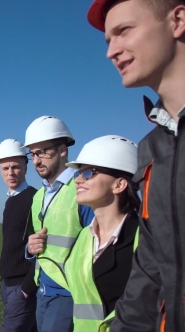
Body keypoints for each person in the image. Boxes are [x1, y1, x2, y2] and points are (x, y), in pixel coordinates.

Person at [86, 1, 185, 330]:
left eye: (123, 31)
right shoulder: (152, 149)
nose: (111, 51)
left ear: (178, 20)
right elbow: (150, 274)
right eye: (107, 40)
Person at [31, 135, 140, 332]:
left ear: (119, 185)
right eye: (78, 173)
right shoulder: (84, 239)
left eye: (89, 173)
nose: (78, 180)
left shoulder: (145, 240)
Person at [24, 116, 94, 332]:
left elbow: (100, 245)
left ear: (63, 150)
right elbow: (42, 242)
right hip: (43, 290)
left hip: (69, 293)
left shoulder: (83, 187)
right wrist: (30, 248)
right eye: (33, 154)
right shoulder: (39, 196)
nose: (36, 160)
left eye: (43, 152)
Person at [0, 139, 39, 332]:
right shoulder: (10, 201)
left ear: (25, 167)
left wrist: (28, 286)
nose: (10, 173)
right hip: (8, 284)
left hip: (22, 286)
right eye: (5, 168)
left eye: (15, 167)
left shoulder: (35, 198)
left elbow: (40, 246)